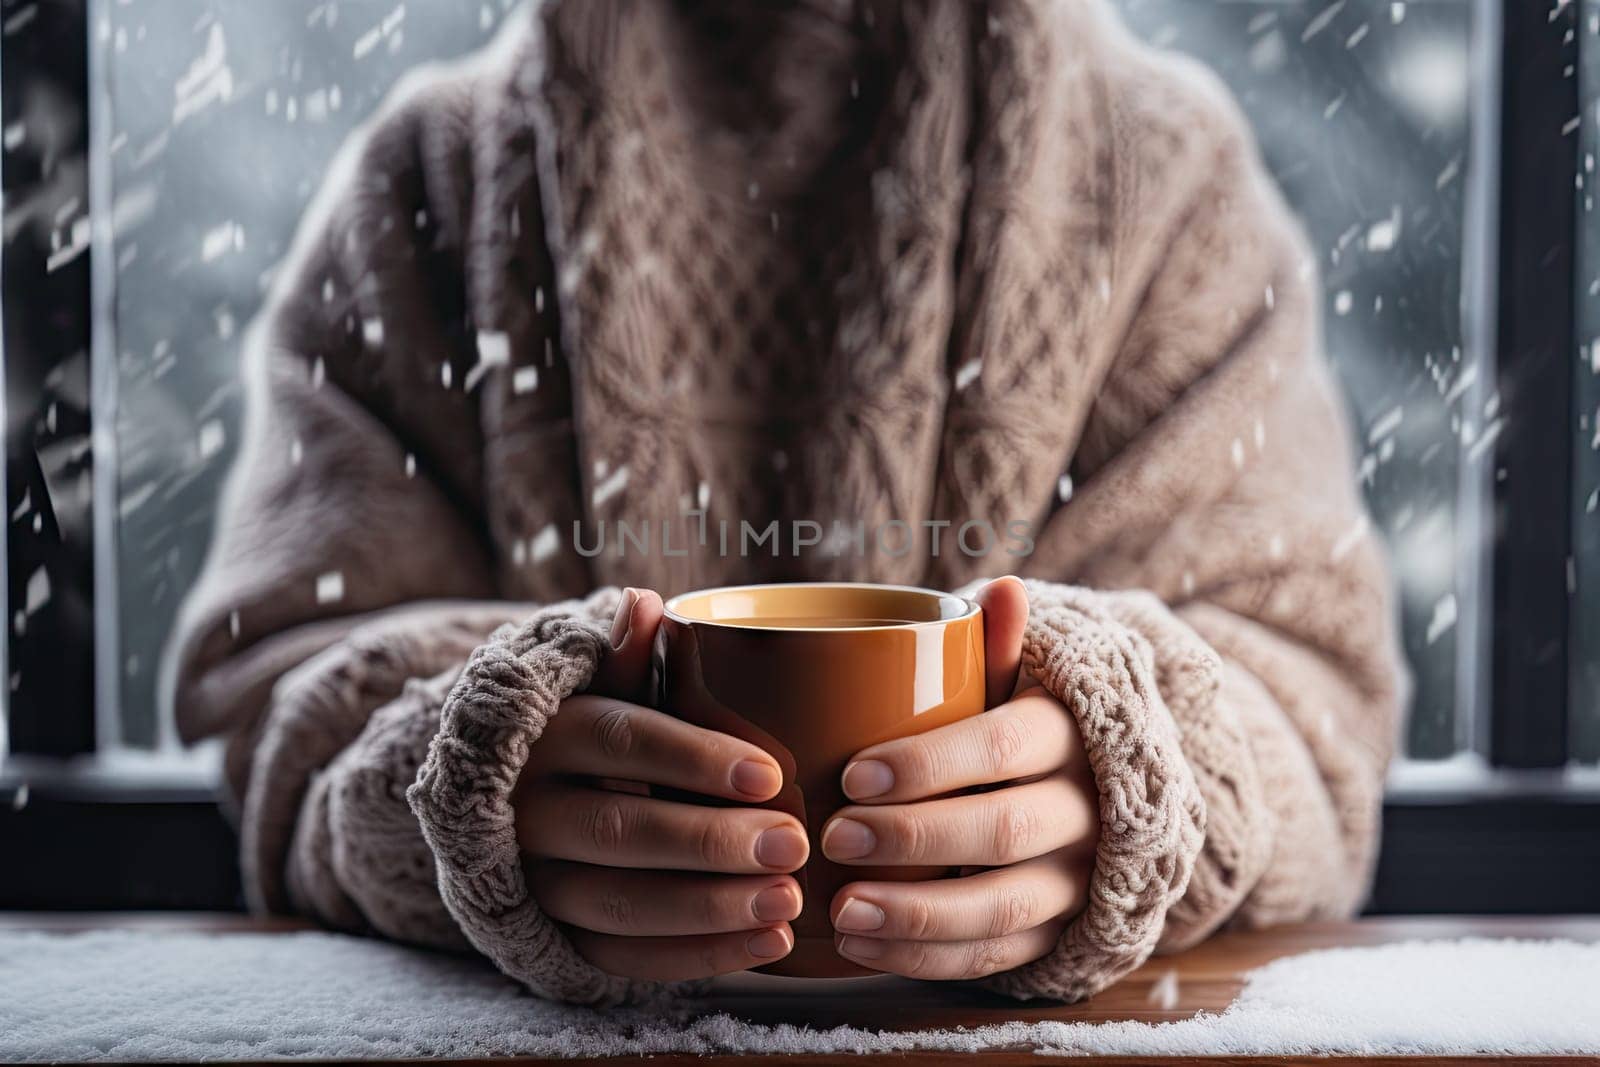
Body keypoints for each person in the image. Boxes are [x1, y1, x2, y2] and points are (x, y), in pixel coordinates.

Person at [164, 0, 1404, 1006]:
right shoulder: (429, 185)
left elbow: (1315, 725)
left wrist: (1140, 776)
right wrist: (467, 790)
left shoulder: (1158, 182)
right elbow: (275, 709)